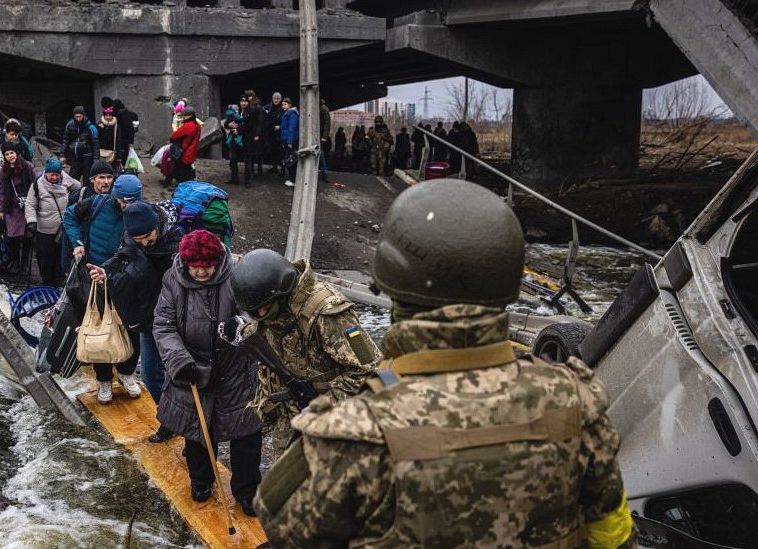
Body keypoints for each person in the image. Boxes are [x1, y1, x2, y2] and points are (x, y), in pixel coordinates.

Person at [255, 179, 637, 548]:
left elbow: (281, 523)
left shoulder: (353, 433)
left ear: (391, 281)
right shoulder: (576, 401)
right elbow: (614, 537)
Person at [228, 249, 380, 457]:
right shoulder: (275, 306)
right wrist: (239, 332)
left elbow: (369, 370)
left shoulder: (327, 313)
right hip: (290, 422)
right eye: (255, 312)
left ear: (281, 293)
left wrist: (322, 405)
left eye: (264, 309)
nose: (261, 315)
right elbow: (268, 329)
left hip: (333, 424)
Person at [153, 229, 262, 516]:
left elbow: (255, 312)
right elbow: (163, 325)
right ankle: (201, 481)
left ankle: (248, 491)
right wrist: (180, 361)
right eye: (196, 268)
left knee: (246, 433)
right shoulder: (172, 279)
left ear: (218, 261)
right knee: (198, 430)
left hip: (236, 366)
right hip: (194, 366)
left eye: (207, 267)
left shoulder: (238, 274)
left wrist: (239, 325)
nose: (201, 273)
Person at [88, 199, 184, 442]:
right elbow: (123, 257)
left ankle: (189, 426)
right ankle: (168, 421)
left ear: (157, 227)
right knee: (152, 374)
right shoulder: (132, 236)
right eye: (138, 238)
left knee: (179, 375)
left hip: (176, 319)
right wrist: (106, 271)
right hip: (148, 317)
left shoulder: (176, 241)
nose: (143, 242)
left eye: (148, 236)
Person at [63, 169, 144, 404]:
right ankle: (104, 380)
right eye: (123, 201)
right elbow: (69, 216)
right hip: (94, 276)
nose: (126, 206)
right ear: (115, 196)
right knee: (98, 327)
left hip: (124, 278)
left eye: (132, 202)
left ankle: (127, 374)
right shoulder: (96, 203)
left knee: (130, 327)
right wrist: (77, 243)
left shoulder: (140, 212)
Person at [26, 158, 82, 286]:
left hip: (62, 229)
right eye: (52, 174)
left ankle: (58, 282)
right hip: (43, 229)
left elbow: (78, 188)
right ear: (46, 173)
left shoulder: (67, 181)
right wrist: (31, 221)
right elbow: (30, 204)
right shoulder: (37, 185)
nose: (55, 177)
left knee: (60, 258)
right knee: (45, 258)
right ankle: (47, 283)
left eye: (57, 174)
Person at [0, 142, 35, 273]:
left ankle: (24, 263)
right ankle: (15, 261)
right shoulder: (4, 170)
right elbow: (1, 190)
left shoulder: (27, 166)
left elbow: (35, 185)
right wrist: (1, 209)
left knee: (27, 236)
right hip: (12, 206)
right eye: (6, 154)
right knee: (12, 235)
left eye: (11, 153)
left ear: (16, 153)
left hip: (27, 205)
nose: (10, 156)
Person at [61, 106, 98, 183]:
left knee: (87, 179)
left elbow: (95, 144)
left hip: (87, 156)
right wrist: (62, 155)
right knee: (73, 178)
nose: (78, 118)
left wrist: (96, 159)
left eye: (79, 116)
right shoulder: (70, 125)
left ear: (83, 116)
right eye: (76, 116)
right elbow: (65, 140)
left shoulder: (91, 127)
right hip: (75, 156)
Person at [168, 105, 202, 183]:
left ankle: (187, 190)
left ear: (190, 115)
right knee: (184, 172)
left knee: (183, 175)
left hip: (183, 154)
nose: (183, 117)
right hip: (191, 153)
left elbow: (173, 136)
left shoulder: (188, 126)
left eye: (184, 115)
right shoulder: (197, 126)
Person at [238, 95, 264, 188]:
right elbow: (229, 121)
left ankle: (247, 181)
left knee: (247, 160)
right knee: (234, 159)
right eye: (241, 101)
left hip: (247, 138)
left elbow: (250, 125)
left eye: (245, 101)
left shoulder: (251, 111)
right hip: (237, 139)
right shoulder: (238, 110)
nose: (243, 103)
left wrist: (238, 129)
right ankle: (234, 178)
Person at [278, 97, 299, 187]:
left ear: (289, 105)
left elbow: (292, 128)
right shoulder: (287, 113)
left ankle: (293, 180)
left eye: (285, 104)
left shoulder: (292, 114)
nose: (283, 106)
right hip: (287, 139)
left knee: (291, 160)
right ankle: (291, 178)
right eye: (282, 104)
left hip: (291, 140)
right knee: (289, 159)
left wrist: (290, 141)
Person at [113, 98, 139, 167]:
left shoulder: (118, 115)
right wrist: (130, 142)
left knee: (121, 159)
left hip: (121, 140)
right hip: (126, 140)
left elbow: (129, 129)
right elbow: (134, 129)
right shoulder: (132, 114)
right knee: (126, 158)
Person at [263, 92, 284, 174]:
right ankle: (274, 167)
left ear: (280, 99)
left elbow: (286, 121)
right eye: (274, 98)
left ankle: (282, 168)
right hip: (270, 132)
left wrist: (280, 126)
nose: (276, 100)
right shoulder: (269, 106)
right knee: (271, 151)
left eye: (278, 98)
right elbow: (262, 110)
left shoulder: (283, 108)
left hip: (279, 132)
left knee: (280, 151)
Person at [223, 105, 245, 186]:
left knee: (237, 160)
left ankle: (240, 179)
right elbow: (226, 124)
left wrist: (237, 127)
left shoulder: (241, 116)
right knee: (233, 160)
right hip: (234, 141)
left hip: (241, 140)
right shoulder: (233, 116)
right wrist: (229, 124)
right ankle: (234, 178)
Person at [97, 107, 121, 171]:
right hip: (102, 154)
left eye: (110, 115)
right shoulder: (99, 125)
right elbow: (97, 139)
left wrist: (119, 156)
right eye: (106, 115)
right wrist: (100, 129)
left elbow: (118, 141)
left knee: (112, 171)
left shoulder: (116, 127)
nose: (108, 117)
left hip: (112, 154)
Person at [319, 99, 331, 183]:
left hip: (320, 136)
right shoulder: (318, 107)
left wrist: (324, 137)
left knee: (321, 154)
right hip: (314, 134)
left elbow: (327, 123)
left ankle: (324, 173)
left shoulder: (324, 108)